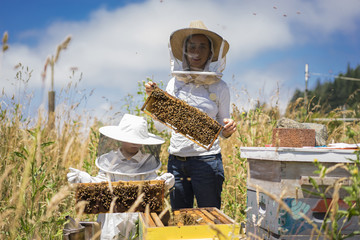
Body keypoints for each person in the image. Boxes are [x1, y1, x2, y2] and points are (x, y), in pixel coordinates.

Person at [145, 20, 237, 211]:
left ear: (211, 53)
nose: (197, 51)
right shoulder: (173, 83)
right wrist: (155, 100)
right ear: (185, 51)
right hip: (176, 162)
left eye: (202, 46)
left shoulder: (220, 87)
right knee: (179, 218)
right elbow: (162, 126)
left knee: (210, 218)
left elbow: (223, 130)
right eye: (192, 46)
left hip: (207, 161)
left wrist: (227, 129)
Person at [67, 114, 175, 240]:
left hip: (139, 219)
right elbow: (101, 184)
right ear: (121, 138)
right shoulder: (109, 159)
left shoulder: (148, 162)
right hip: (111, 219)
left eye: (138, 140)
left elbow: (152, 185)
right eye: (131, 139)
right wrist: (85, 179)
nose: (135, 143)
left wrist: (164, 182)